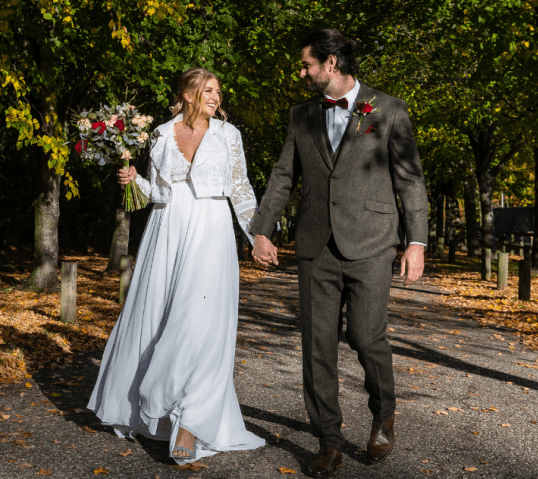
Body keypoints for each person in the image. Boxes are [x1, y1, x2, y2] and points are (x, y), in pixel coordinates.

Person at [249, 28, 428, 478]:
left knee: (366, 336)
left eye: (307, 64)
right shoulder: (301, 115)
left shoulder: (387, 109)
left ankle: (383, 412)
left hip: (371, 242)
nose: (302, 71)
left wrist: (416, 242)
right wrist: (262, 231)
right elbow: (282, 176)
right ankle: (328, 439)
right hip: (315, 244)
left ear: (331, 64)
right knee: (317, 345)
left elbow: (410, 180)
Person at [87, 67, 266, 465]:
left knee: (199, 323)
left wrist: (258, 236)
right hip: (166, 231)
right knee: (158, 320)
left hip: (211, 231)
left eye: (219, 91)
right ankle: (156, 410)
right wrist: (132, 180)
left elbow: (240, 188)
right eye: (208, 90)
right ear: (188, 94)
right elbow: (154, 191)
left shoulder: (228, 135)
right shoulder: (162, 134)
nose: (216, 97)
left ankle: (191, 422)